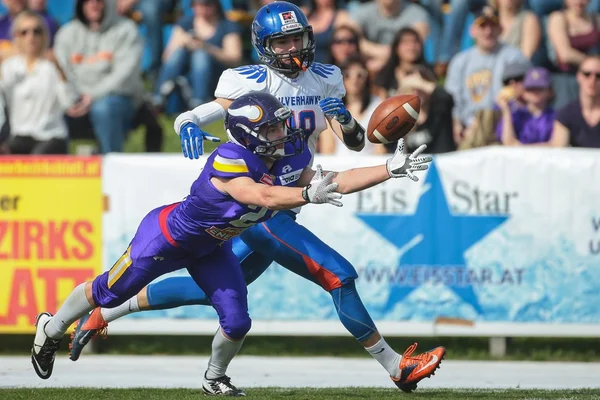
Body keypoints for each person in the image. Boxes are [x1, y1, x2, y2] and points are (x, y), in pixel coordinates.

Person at [68, 1, 446, 395]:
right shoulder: (247, 80)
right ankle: (395, 365)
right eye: (282, 42)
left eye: (297, 38)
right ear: (265, 45)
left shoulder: (325, 77)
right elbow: (192, 116)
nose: (292, 48)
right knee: (338, 275)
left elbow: (352, 144)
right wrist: (186, 127)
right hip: (259, 204)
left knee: (219, 288)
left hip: (287, 198)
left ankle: (106, 310)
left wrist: (350, 122)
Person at [32, 91, 433, 395]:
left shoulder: (287, 150)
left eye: (280, 125)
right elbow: (262, 197)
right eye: (271, 129)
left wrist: (388, 169)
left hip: (212, 246)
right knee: (107, 291)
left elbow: (332, 179)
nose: (282, 133)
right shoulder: (229, 159)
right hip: (166, 239)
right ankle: (49, 329)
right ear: (247, 135)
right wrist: (306, 196)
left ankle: (214, 378)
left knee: (237, 320)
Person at [1, 10, 77, 154]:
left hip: (51, 136)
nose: (31, 36)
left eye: (37, 31)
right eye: (24, 32)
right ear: (16, 36)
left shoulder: (54, 64)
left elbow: (70, 103)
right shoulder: (9, 67)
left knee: (37, 160)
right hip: (19, 135)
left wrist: (60, 70)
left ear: (44, 35)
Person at [496, 67, 556, 145]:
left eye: (540, 88)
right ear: (524, 93)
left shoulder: (556, 116)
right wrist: (506, 111)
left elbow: (557, 143)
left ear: (550, 91)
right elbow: (507, 142)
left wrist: (521, 147)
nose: (535, 92)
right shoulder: (516, 115)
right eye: (530, 88)